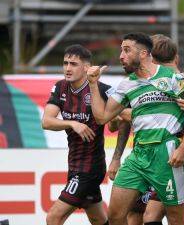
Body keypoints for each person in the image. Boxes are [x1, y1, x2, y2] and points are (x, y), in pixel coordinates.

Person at [87, 32, 184, 225]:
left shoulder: (173, 78)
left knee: (178, 219)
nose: (121, 56)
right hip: (139, 155)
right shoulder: (127, 84)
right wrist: (92, 84)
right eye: (120, 51)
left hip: (167, 153)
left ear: (143, 53)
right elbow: (102, 117)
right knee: (115, 216)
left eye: (126, 50)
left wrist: (183, 148)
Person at [42, 44, 111, 225]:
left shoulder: (102, 89)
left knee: (53, 218)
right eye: (65, 63)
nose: (67, 68)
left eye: (73, 64)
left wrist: (117, 157)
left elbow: (121, 119)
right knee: (98, 219)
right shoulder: (60, 87)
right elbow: (46, 121)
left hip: (90, 168)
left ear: (86, 67)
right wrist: (73, 123)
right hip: (74, 164)